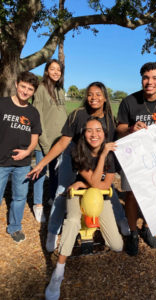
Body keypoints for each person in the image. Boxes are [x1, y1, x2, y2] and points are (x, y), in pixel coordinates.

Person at [28, 81, 129, 252]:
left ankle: (121, 220)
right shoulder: (77, 115)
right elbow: (62, 143)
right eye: (90, 94)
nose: (93, 98)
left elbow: (113, 145)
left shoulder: (110, 120)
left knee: (107, 188)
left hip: (95, 159)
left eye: (98, 94)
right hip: (73, 156)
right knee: (62, 190)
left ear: (105, 98)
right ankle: (53, 231)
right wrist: (42, 164)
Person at [45, 117, 123, 300]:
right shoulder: (78, 152)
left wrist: (84, 182)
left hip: (98, 197)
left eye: (98, 130)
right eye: (89, 130)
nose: (94, 134)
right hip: (78, 196)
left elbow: (104, 186)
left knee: (117, 246)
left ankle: (91, 228)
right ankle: (59, 271)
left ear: (104, 134)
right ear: (83, 133)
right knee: (72, 221)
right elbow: (98, 182)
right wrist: (99, 162)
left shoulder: (111, 155)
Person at [117, 62, 156, 256]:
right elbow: (118, 129)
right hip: (135, 157)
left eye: (154, 78)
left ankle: (147, 226)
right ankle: (133, 233)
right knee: (131, 195)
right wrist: (130, 129)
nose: (149, 82)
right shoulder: (129, 101)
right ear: (141, 79)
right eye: (146, 77)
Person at [0, 71, 41, 242]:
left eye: (30, 89)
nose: (25, 91)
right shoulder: (2, 104)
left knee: (19, 197)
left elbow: (35, 137)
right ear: (17, 84)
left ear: (33, 92)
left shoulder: (33, 112)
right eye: (23, 86)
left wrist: (27, 152)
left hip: (23, 164)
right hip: (1, 161)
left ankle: (15, 227)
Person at [32, 59, 68, 223]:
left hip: (59, 141)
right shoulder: (41, 89)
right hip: (43, 141)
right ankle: (38, 205)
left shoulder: (60, 90)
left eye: (58, 70)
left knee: (56, 173)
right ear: (46, 71)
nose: (55, 72)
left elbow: (62, 114)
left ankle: (52, 198)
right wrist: (45, 144)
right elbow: (37, 118)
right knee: (40, 173)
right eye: (52, 69)